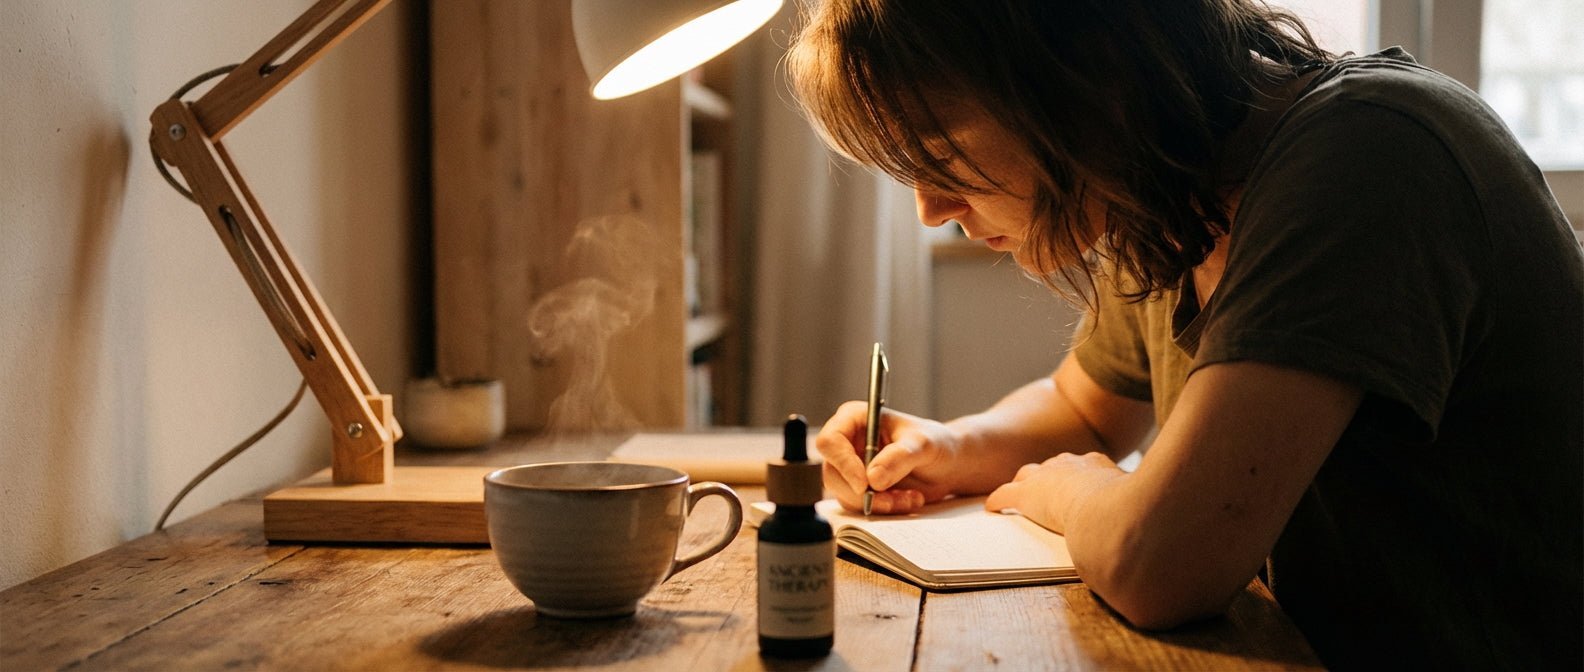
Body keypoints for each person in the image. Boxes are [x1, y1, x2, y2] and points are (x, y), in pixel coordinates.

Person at [788, 1, 1583, 669]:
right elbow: (1085, 408)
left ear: (1083, 74)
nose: (929, 207)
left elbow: (1159, 565)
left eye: (940, 155)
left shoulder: (1366, 155)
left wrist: (1071, 488)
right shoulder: (1166, 196)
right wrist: (948, 447)